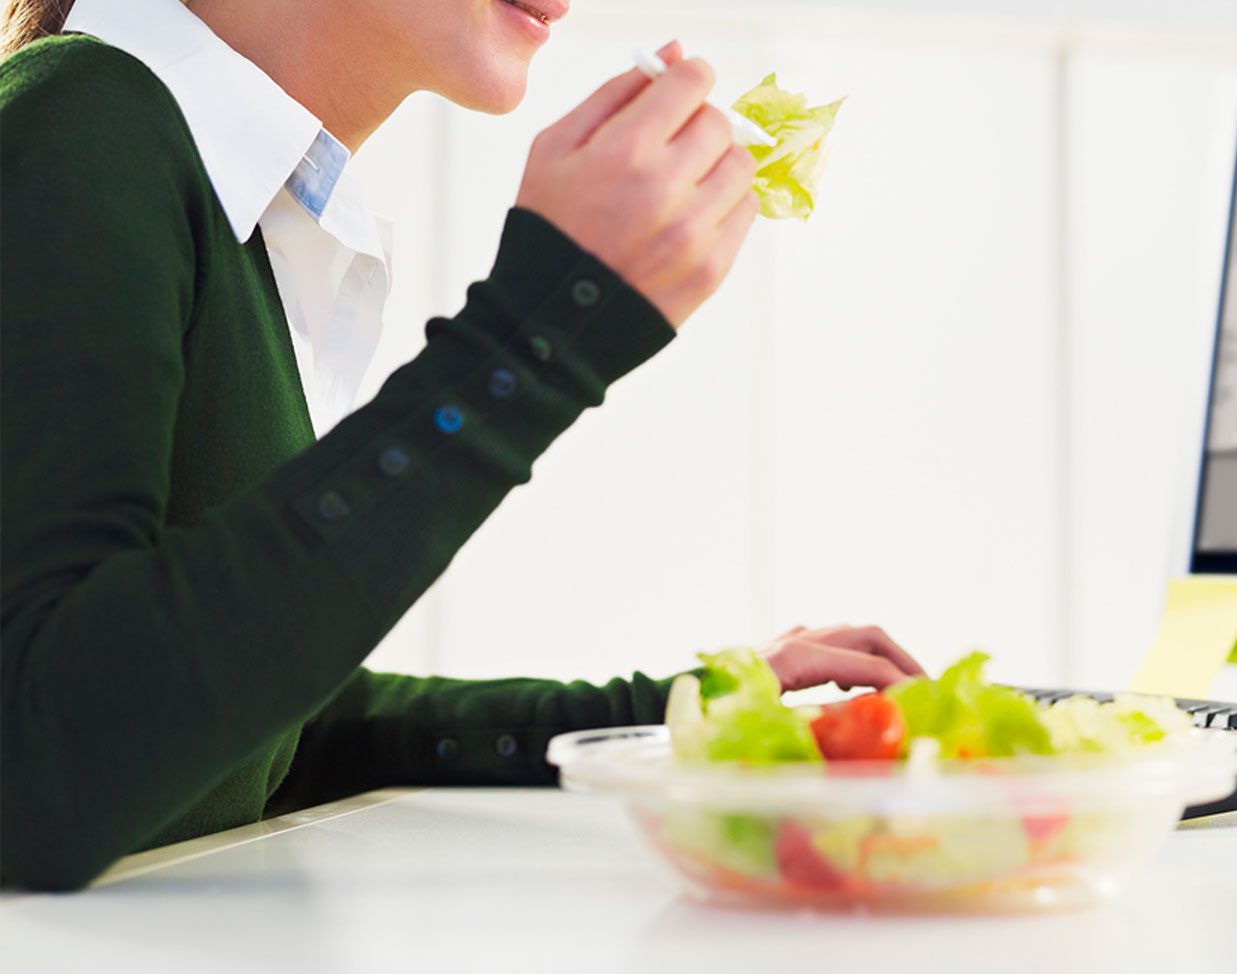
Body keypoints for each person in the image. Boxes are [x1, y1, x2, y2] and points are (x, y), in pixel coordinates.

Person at [0, 0, 925, 892]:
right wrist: (542, 336)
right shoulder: (79, 122)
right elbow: (46, 766)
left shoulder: (190, 178)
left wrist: (673, 721)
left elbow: (233, 735)